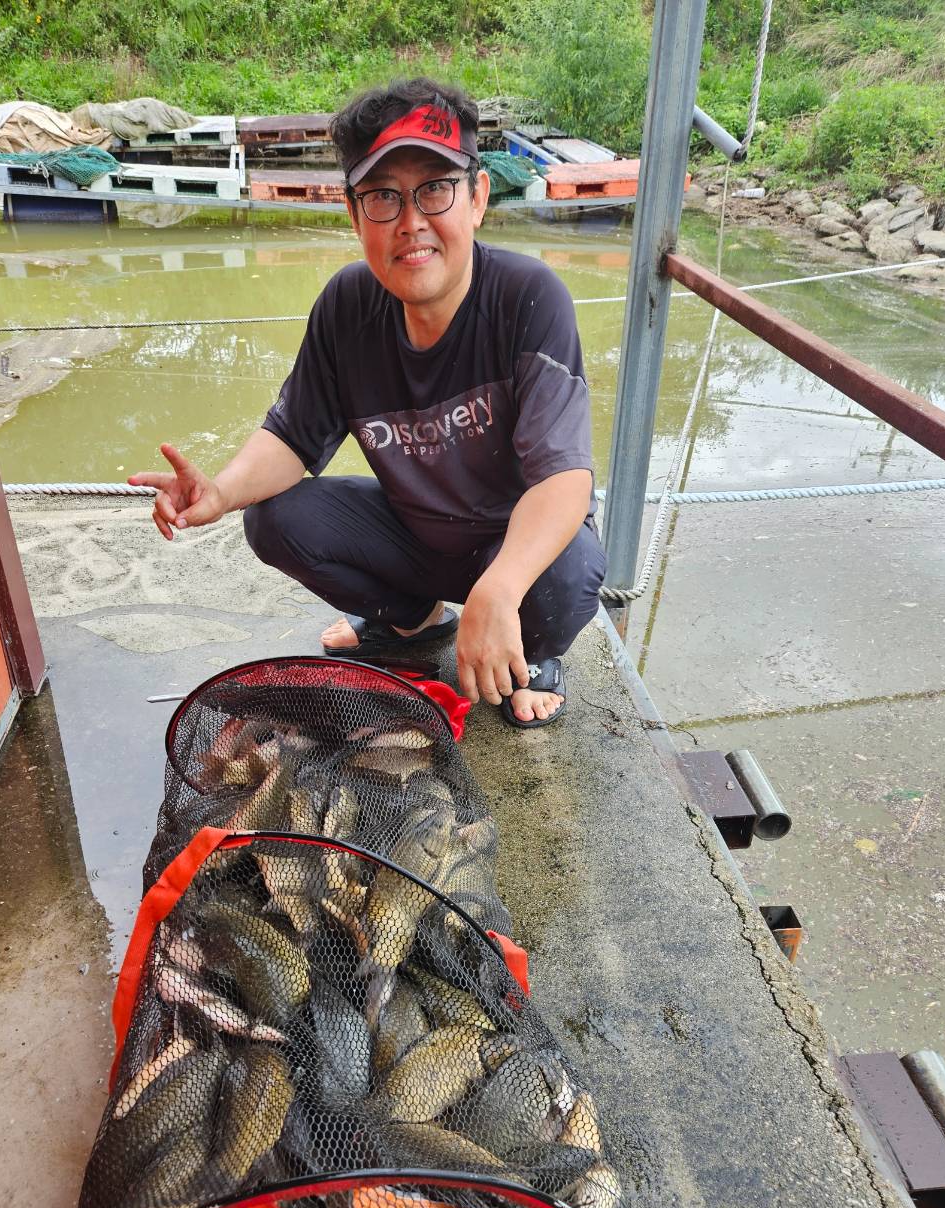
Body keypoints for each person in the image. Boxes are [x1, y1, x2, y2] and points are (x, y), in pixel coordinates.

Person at [131, 77, 605, 727]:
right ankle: (414, 618)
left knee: (572, 566)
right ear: (355, 217)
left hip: (512, 547)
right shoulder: (347, 306)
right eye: (383, 197)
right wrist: (221, 492)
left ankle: (536, 653)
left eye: (434, 189)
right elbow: (292, 437)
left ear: (476, 198)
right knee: (273, 519)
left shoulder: (529, 297)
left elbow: (564, 477)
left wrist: (498, 586)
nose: (411, 222)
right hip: (417, 537)